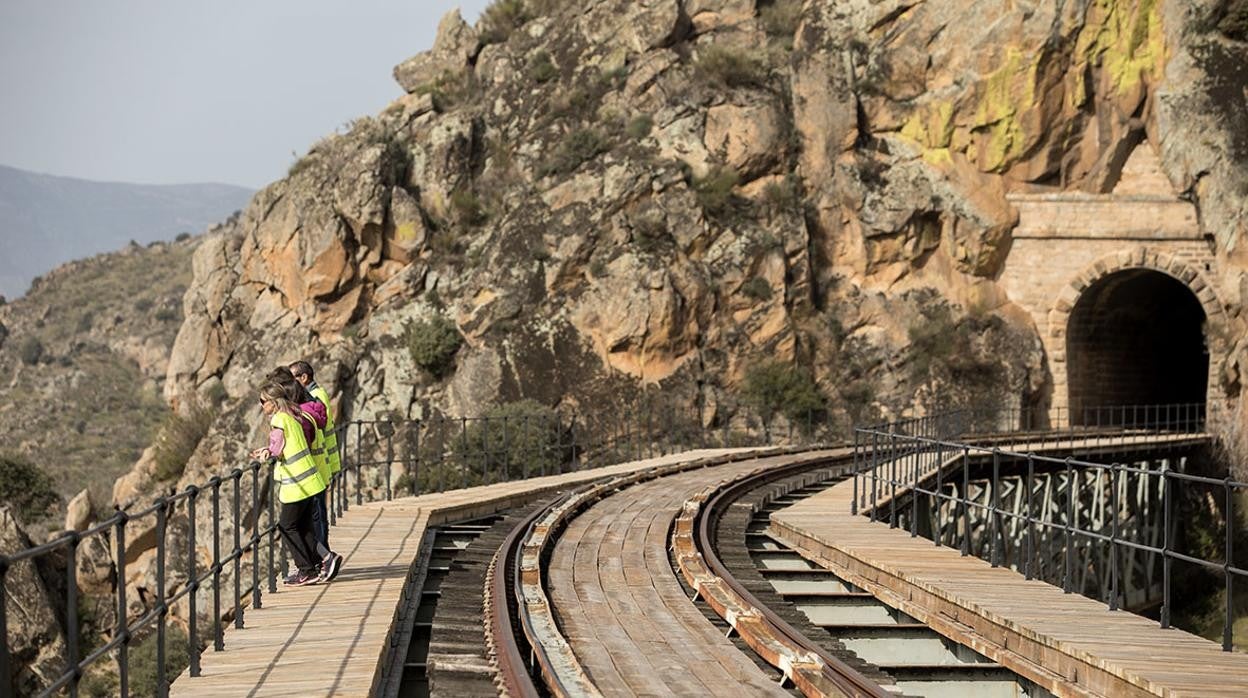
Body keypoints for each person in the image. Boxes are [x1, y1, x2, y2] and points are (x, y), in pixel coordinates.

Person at [266, 367, 342, 581]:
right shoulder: (307, 410)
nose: (263, 405)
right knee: (307, 522)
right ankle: (320, 562)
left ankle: (315, 565)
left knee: (294, 524)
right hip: (314, 473)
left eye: (265, 400)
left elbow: (294, 446)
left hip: (302, 479)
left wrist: (272, 452)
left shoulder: (291, 417)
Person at [251, 382, 325, 587]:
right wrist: (270, 449)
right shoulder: (293, 415)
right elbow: (283, 445)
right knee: (304, 525)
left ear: (273, 403)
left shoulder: (279, 420)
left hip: (297, 483)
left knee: (286, 525)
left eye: (263, 401)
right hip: (310, 479)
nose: (261, 405)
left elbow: (277, 446)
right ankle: (316, 565)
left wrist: (267, 453)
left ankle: (306, 570)